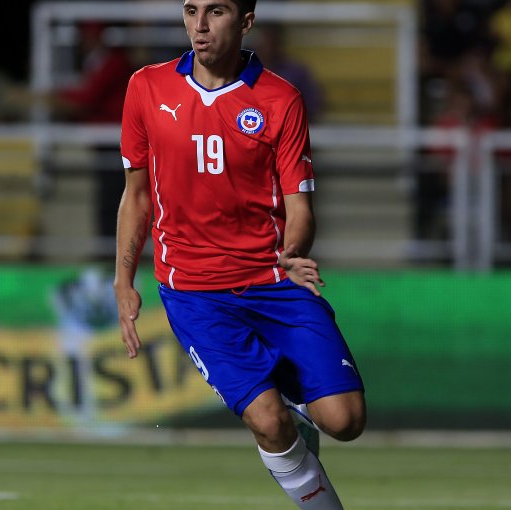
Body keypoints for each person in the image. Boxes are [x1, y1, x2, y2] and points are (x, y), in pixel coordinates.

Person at [113, 1, 366, 508]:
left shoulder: (281, 100)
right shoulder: (147, 87)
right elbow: (136, 194)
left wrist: (294, 252)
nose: (199, 26)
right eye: (190, 11)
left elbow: (300, 207)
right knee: (267, 422)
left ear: (245, 21)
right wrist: (123, 280)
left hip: (274, 282)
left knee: (346, 421)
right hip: (195, 291)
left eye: (216, 11)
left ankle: (296, 415)